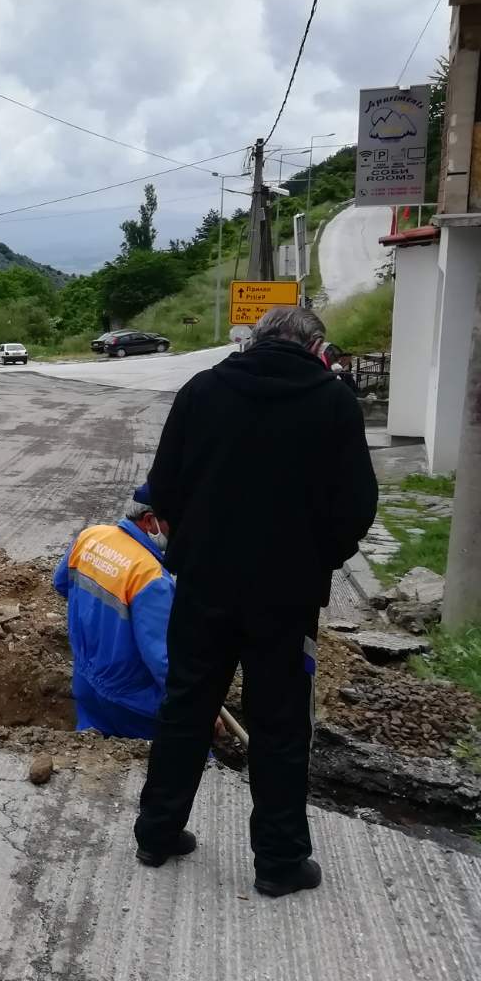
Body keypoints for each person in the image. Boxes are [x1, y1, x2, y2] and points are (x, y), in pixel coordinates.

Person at [134, 305, 377, 898]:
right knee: (280, 726)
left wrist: (192, 541)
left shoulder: (202, 390)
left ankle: (156, 834)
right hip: (285, 597)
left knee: (187, 706)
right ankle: (279, 862)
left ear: (256, 340)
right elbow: (356, 509)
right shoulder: (334, 402)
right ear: (314, 346)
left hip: (203, 586)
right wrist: (319, 557)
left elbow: (161, 490)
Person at [52, 483, 174, 739]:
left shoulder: (91, 536)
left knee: (88, 756)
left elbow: (61, 583)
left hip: (85, 682)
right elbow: (162, 659)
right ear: (150, 521)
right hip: (133, 701)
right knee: (191, 759)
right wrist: (195, 706)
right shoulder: (150, 577)